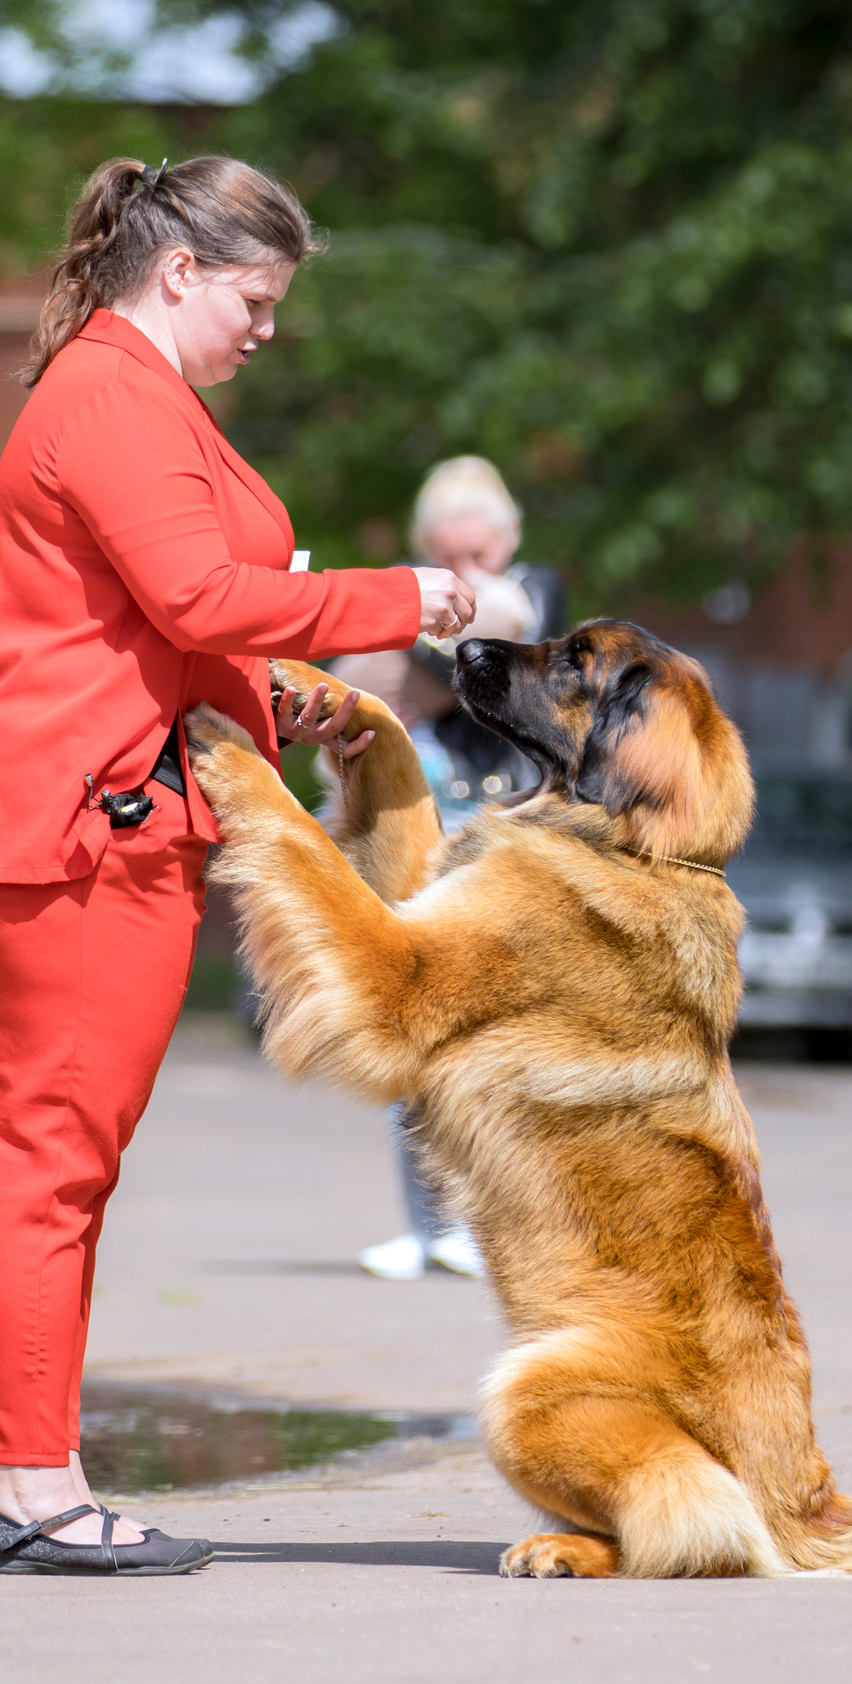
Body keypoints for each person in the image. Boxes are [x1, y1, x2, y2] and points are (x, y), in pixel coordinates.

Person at [0, 154, 478, 1576]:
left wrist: (276, 700)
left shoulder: (131, 394)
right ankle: (31, 1496)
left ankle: (35, 1480)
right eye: (257, 296)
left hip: (93, 819)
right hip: (75, 836)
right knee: (52, 1166)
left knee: (58, 1167)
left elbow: (160, 627)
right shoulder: (112, 396)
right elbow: (192, 593)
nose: (268, 327)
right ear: (178, 274)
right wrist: (402, 599)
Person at [324, 456, 564, 1280]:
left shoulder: (541, 587)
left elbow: (496, 657)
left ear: (511, 538)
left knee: (498, 1041)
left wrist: (415, 646)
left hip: (504, 833)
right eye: (447, 559)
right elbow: (355, 684)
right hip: (417, 828)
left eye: (480, 557)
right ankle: (428, 1228)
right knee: (412, 1029)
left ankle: (492, 1224)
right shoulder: (425, 590)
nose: (465, 576)